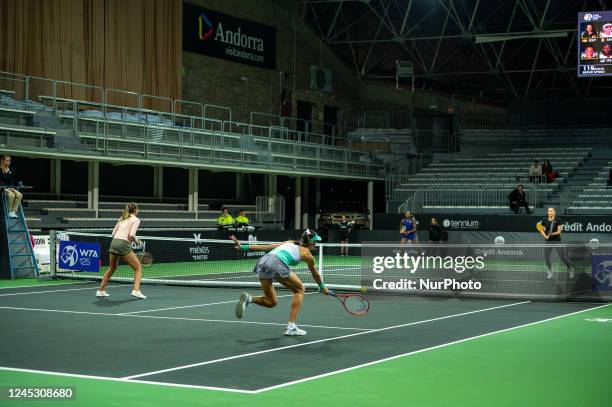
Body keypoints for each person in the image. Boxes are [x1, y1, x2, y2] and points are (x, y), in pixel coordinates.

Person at [230, 229, 329, 336]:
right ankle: (291, 327)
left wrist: (242, 247)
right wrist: (322, 286)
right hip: (276, 263)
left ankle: (249, 299)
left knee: (271, 302)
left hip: (262, 262)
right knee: (300, 289)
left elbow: (266, 247)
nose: (315, 244)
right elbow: (315, 274)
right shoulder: (307, 255)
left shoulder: (289, 242)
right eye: (315, 241)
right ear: (311, 242)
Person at [96, 203, 146, 299]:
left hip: (114, 242)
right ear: (135, 210)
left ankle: (100, 290)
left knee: (112, 267)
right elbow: (131, 235)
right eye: (138, 208)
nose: (138, 210)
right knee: (138, 267)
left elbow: (113, 233)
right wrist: (137, 241)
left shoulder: (122, 219)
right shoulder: (136, 220)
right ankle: (136, 290)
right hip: (123, 244)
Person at [537, 207, 573, 279]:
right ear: (548, 212)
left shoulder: (558, 220)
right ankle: (550, 271)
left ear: (554, 212)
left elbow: (559, 232)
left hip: (557, 241)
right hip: (548, 242)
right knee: (547, 258)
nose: (550, 212)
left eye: (551, 211)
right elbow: (541, 229)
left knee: (563, 257)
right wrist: (545, 236)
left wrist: (551, 234)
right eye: (549, 211)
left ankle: (570, 269)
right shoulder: (544, 220)